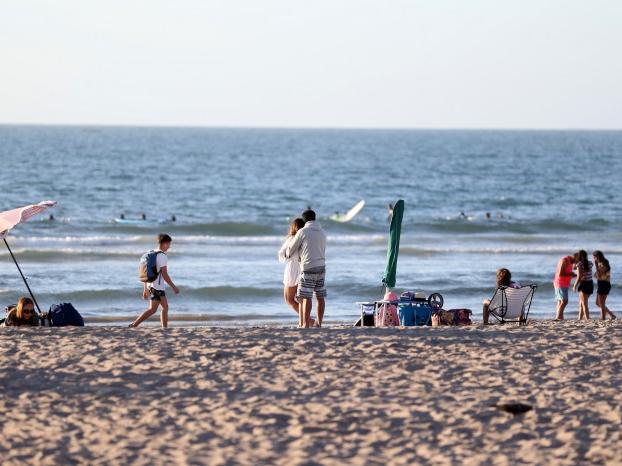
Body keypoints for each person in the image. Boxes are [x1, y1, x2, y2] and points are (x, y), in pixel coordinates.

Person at [285, 209, 327, 328]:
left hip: (308, 267)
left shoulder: (303, 232)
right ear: (314, 218)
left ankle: (305, 325)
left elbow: (292, 249)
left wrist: (287, 253)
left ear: (304, 220)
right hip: (321, 267)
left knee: (305, 296)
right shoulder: (322, 232)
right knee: (320, 296)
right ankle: (319, 323)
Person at [130, 234, 180, 328]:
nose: (169, 246)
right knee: (154, 309)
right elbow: (164, 274)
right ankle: (134, 324)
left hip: (151, 285)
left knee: (162, 308)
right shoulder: (162, 256)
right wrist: (174, 287)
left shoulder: (151, 252)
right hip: (157, 286)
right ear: (165, 243)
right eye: (169, 244)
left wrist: (145, 289)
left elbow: (145, 272)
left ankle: (164, 328)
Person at [278, 218, 308, 318]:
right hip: (304, 270)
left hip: (292, 271)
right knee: (302, 299)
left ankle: (309, 321)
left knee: (289, 299)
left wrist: (287, 255)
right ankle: (305, 321)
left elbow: (282, 255)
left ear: (293, 227)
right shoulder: (306, 239)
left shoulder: (291, 239)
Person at [593, 250, 616, 321]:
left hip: (604, 283)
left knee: (601, 303)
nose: (593, 259)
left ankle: (603, 318)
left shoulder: (604, 263)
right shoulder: (601, 263)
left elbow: (598, 274)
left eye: (594, 257)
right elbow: (596, 275)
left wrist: (596, 266)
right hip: (601, 283)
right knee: (598, 303)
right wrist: (597, 273)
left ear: (597, 257)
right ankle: (611, 315)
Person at [553, 254, 576, 320]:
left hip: (564, 283)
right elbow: (561, 273)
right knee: (564, 301)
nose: (576, 262)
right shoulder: (565, 260)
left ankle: (560, 317)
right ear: (575, 257)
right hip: (560, 283)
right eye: (577, 260)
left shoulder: (570, 262)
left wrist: (573, 275)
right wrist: (571, 274)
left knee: (560, 301)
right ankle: (558, 317)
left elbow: (566, 272)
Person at [573, 250, 593, 320]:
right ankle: (579, 319)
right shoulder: (590, 263)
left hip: (584, 284)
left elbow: (579, 276)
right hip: (590, 284)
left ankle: (587, 319)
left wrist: (574, 285)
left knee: (584, 304)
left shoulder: (579, 264)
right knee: (581, 303)